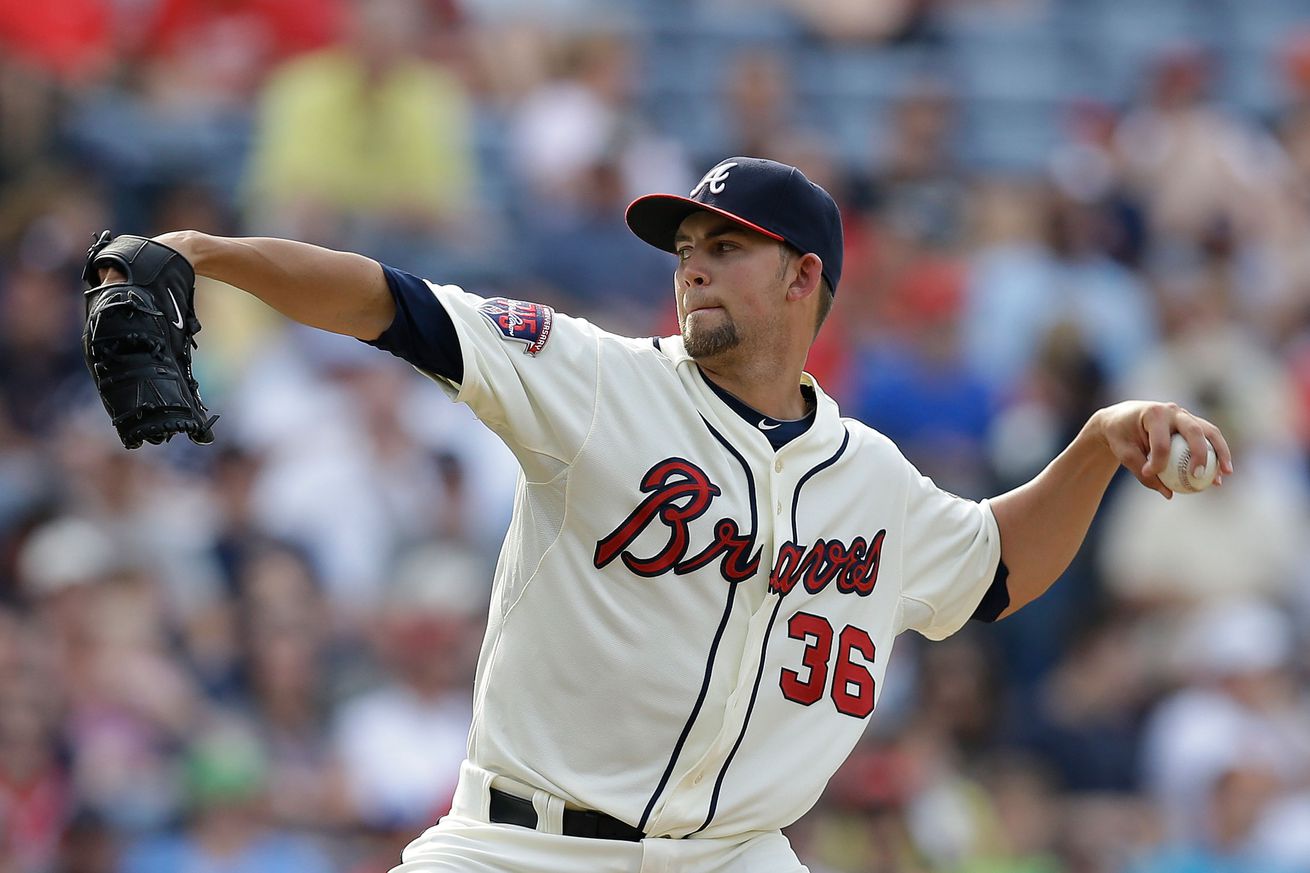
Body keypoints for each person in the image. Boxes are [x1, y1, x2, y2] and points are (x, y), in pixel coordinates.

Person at [93, 156, 1233, 873]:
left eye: (724, 248)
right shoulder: (595, 378)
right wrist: (202, 254)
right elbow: (388, 303)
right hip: (518, 847)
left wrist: (1091, 445)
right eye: (686, 249)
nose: (692, 268)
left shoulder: (871, 476)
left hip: (734, 856)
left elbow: (988, 574)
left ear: (803, 280)